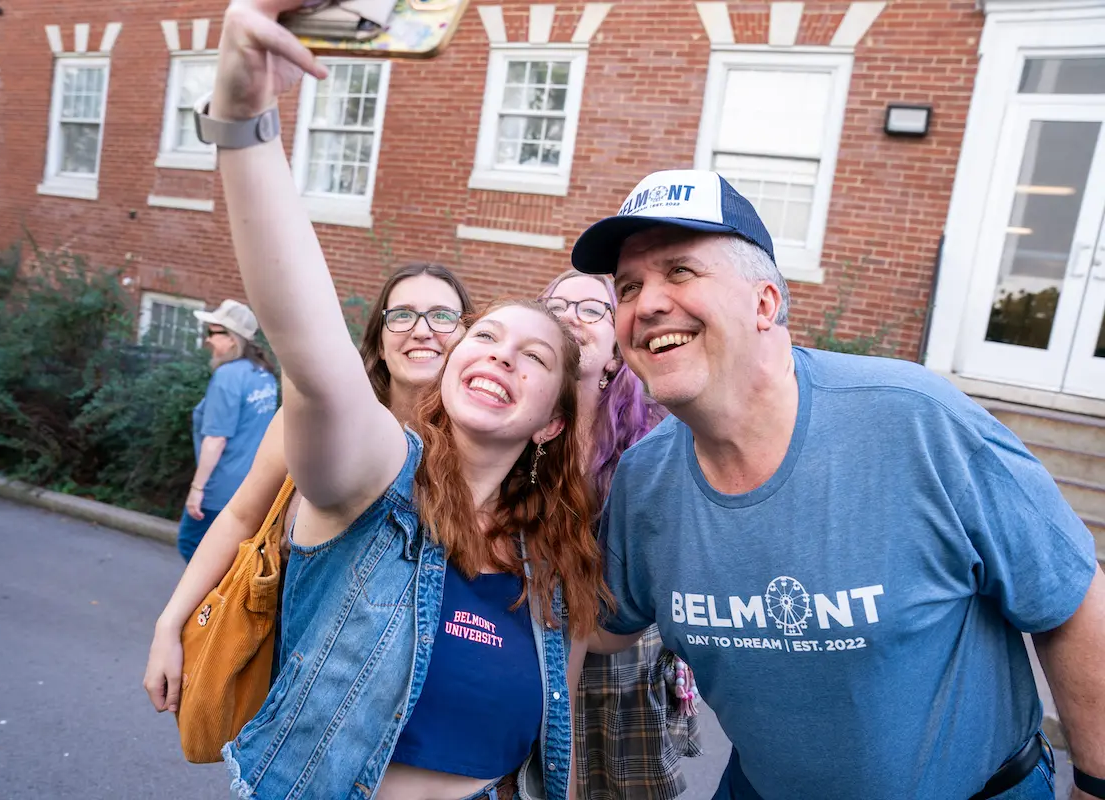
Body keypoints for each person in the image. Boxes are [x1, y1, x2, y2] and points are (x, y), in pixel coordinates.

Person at [574, 168, 1105, 800]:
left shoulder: (917, 421)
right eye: (628, 286)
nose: (647, 304)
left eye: (680, 271)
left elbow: (1069, 601)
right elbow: (606, 626)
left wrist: (1096, 784)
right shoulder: (646, 480)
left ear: (766, 302)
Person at [186, 3, 608, 798]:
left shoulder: (552, 560)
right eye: (483, 339)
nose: (500, 355)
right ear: (449, 375)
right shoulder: (379, 480)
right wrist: (245, 119)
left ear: (552, 419)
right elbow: (309, 346)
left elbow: (559, 740)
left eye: (534, 355)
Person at [143, 261, 474, 718]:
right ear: (379, 336)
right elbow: (241, 517)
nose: (422, 330)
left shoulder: (481, 447)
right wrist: (169, 623)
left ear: (466, 335)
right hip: (294, 685)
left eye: (442, 316)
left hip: (419, 703)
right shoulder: (316, 425)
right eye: (402, 315)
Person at [539, 270, 702, 800]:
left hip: (618, 663)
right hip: (530, 651)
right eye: (556, 305)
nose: (570, 316)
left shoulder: (652, 446)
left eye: (591, 309)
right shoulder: (513, 431)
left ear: (615, 354)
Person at [179, 298, 278, 562]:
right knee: (229, 557)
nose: (207, 340)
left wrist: (197, 488)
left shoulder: (227, 376)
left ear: (232, 339)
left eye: (212, 332)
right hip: (252, 484)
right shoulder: (263, 374)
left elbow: (215, 439)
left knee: (192, 545)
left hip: (220, 488)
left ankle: (208, 604)